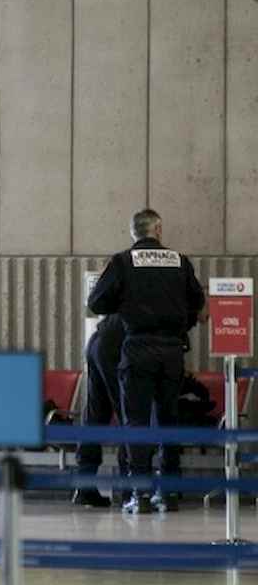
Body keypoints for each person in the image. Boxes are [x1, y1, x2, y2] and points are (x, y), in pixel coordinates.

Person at [88, 208, 205, 515]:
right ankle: (169, 493)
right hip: (171, 350)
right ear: (159, 230)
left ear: (133, 233)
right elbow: (198, 303)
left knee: (136, 421)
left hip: (137, 346)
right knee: (168, 419)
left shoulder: (123, 261)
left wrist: (125, 303)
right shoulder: (180, 261)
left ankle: (137, 495)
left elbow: (96, 302)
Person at [71, 314, 127, 508]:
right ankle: (128, 491)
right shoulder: (171, 293)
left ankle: (84, 487)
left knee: (95, 415)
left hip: (98, 340)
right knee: (128, 416)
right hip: (116, 346)